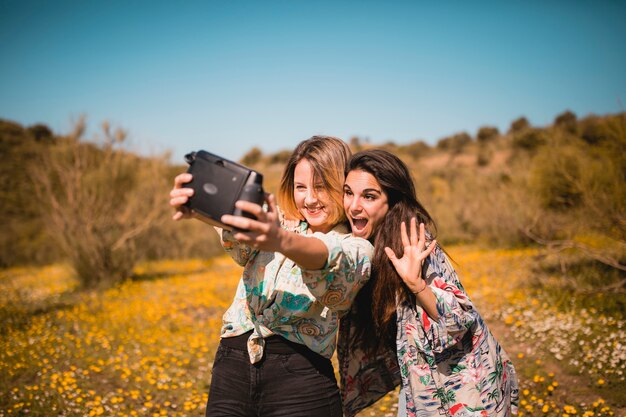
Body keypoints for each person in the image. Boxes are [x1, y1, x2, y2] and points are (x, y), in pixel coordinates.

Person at [169, 136, 373, 417]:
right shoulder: (275, 220)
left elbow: (327, 256)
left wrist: (279, 239)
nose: (309, 199)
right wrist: (201, 207)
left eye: (322, 187)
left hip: (302, 378)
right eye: (300, 187)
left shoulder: (357, 245)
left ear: (344, 187)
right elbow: (240, 232)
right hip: (232, 367)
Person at [338, 149, 519, 417]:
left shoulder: (413, 241)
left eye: (369, 196)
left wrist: (417, 285)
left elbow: (457, 320)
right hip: (420, 386)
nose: (354, 205)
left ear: (392, 201)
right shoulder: (363, 245)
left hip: (464, 390)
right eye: (348, 192)